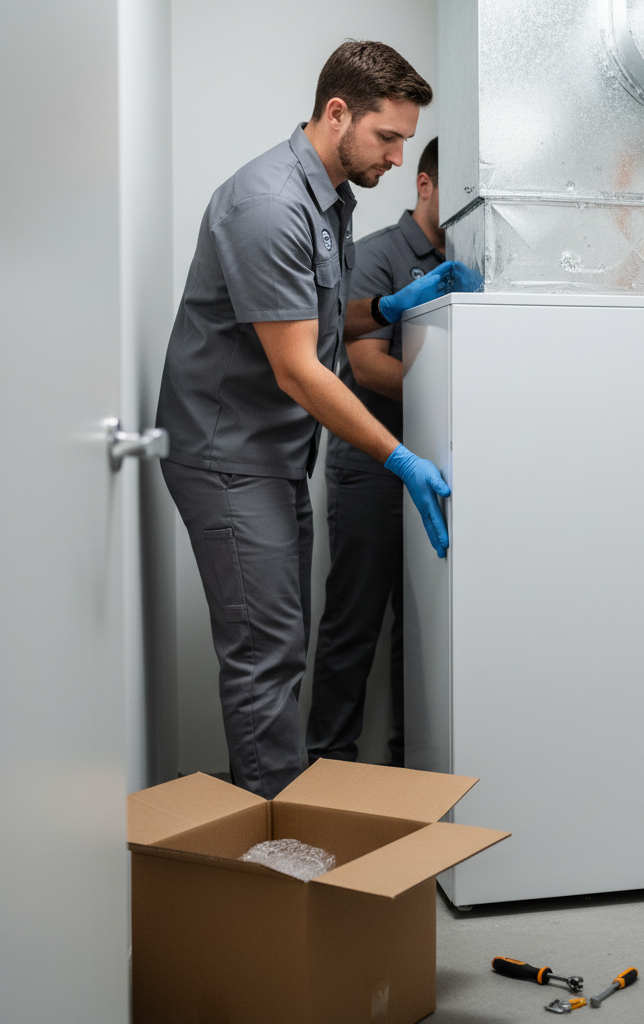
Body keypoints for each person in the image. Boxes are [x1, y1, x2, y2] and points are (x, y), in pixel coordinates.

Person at [156, 42, 470, 799]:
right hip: (227, 455)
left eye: (403, 140)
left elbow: (317, 313)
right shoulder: (268, 204)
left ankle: (279, 823)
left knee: (281, 647)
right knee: (265, 657)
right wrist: (399, 456)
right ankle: (281, 867)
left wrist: (383, 308)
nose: (398, 158)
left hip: (271, 455)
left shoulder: (330, 196)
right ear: (337, 114)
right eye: (388, 138)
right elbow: (298, 367)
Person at [306, 138, 444, 768]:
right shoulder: (382, 255)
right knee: (355, 622)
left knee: (422, 629)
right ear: (424, 186)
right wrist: (447, 361)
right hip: (373, 462)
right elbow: (369, 369)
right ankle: (328, 767)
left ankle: (411, 770)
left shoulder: (473, 259)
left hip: (437, 462)